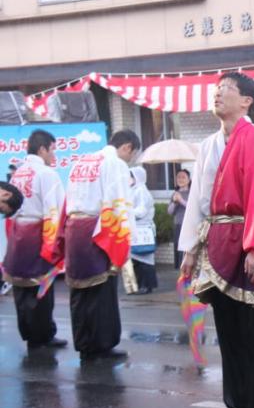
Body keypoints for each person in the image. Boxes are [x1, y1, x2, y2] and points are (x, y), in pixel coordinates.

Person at [179, 72, 254, 408]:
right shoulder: (209, 144)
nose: (217, 96)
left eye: (225, 90)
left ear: (246, 101)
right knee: (229, 330)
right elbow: (198, 200)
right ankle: (241, 406)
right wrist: (191, 250)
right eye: (215, 91)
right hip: (217, 240)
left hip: (249, 237)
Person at [64, 129, 138, 362]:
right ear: (126, 147)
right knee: (101, 290)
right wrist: (125, 239)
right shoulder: (114, 163)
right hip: (99, 229)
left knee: (79, 291)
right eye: (132, 155)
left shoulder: (81, 161)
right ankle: (102, 345)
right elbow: (119, 203)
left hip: (74, 227)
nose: (129, 160)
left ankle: (84, 344)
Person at [2, 130, 68, 350]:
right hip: (38, 233)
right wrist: (55, 244)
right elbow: (55, 209)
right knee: (41, 288)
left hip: (18, 234)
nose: (53, 155)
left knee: (21, 288)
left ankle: (30, 334)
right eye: (52, 149)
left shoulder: (18, 173)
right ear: (42, 149)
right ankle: (43, 334)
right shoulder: (47, 174)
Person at [128, 167, 158, 294]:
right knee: (137, 258)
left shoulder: (141, 191)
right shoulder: (132, 190)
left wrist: (127, 212)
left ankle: (147, 285)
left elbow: (141, 211)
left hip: (143, 229)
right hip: (136, 228)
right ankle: (141, 284)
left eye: (130, 176)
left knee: (145, 257)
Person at [166, 168, 190, 269]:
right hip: (178, 225)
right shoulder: (175, 194)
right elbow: (170, 211)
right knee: (179, 250)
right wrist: (175, 202)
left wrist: (181, 200)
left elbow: (191, 207)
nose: (180, 179)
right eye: (178, 177)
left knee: (187, 250)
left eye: (183, 177)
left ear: (189, 179)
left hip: (189, 226)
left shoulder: (192, 192)